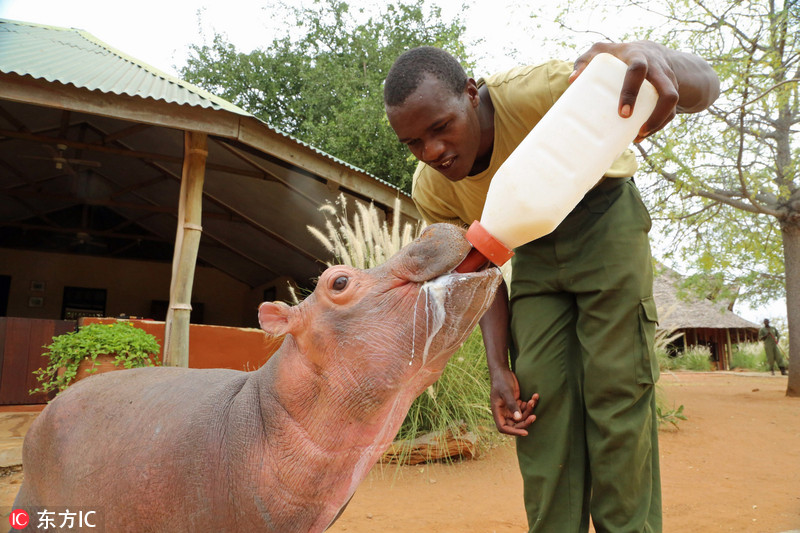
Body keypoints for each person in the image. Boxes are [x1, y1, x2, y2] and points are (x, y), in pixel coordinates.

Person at [383, 41, 720, 533]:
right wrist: (498, 367)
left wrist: (653, 58)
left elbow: (705, 84)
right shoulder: (432, 188)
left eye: (440, 128)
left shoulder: (538, 92)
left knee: (617, 389)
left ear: (471, 95)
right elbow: (480, 271)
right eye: (413, 143)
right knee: (536, 398)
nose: (431, 151)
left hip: (603, 215)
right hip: (532, 249)